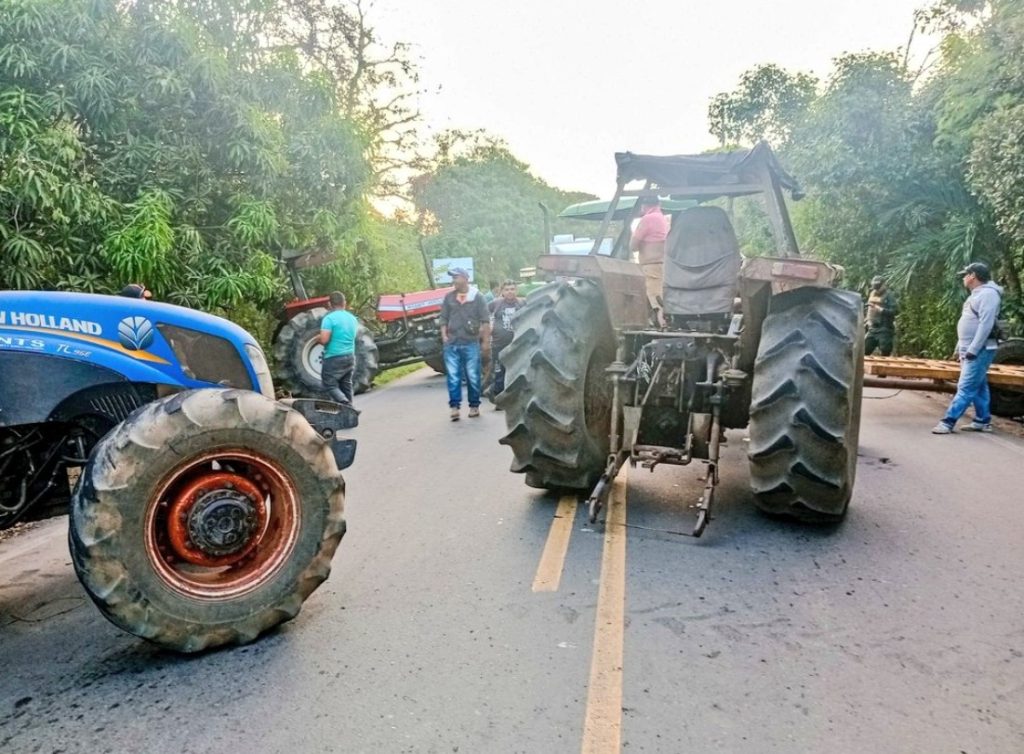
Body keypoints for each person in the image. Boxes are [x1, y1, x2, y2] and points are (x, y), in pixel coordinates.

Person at [932, 262, 1003, 434]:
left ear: (973, 276)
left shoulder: (988, 295)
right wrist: (960, 347)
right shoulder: (976, 294)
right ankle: (983, 421)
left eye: (965, 275)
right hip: (969, 347)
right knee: (978, 385)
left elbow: (986, 325)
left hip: (980, 349)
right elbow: (969, 321)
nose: (963, 278)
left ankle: (948, 422)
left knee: (966, 386)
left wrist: (973, 349)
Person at [439, 267, 490, 420]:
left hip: (470, 342)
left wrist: (485, 342)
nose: (453, 281)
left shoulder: (477, 297)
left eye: (456, 277)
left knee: (473, 376)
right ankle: (454, 407)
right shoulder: (449, 297)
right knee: (453, 377)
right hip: (452, 342)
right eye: (453, 278)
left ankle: (474, 406)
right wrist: (444, 337)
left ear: (465, 278)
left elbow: (485, 321)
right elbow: (443, 319)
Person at [629, 195, 669, 326]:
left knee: (657, 301)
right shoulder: (662, 218)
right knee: (658, 298)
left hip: (651, 266)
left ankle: (663, 326)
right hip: (662, 265)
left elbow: (633, 246)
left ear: (644, 206)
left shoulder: (648, 219)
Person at [318, 291, 360, 412]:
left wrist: (318, 339)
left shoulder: (329, 319)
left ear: (329, 304)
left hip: (333, 357)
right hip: (350, 356)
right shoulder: (352, 319)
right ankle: (350, 412)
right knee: (346, 384)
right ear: (344, 303)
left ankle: (345, 403)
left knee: (329, 385)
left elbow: (324, 339)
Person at [487, 280, 526, 407]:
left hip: (517, 344)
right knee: (499, 373)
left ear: (517, 290)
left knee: (517, 371)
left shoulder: (522, 303)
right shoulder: (496, 304)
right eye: (507, 289)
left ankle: (516, 399)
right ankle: (498, 397)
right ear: (502, 292)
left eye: (512, 289)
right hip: (499, 345)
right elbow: (484, 314)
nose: (510, 292)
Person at [864, 276, 898, 356]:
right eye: (875, 286)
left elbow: (895, 311)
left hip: (884, 328)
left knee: (885, 351)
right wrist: (867, 320)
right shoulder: (872, 293)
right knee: (864, 350)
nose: (876, 289)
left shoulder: (889, 295)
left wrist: (881, 310)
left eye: (878, 286)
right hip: (872, 328)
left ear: (883, 285)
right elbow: (869, 308)